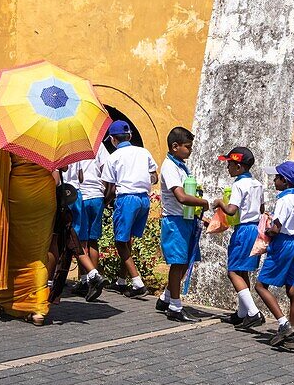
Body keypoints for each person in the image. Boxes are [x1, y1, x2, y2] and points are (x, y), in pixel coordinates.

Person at [0, 141, 56, 325]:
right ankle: (37, 308)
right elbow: (62, 166)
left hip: (18, 193)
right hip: (45, 194)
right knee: (37, 253)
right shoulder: (52, 131)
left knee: (11, 247)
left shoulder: (12, 131)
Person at [156, 126, 208, 322]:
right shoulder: (169, 167)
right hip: (175, 221)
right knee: (178, 263)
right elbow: (180, 196)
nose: (190, 150)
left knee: (185, 261)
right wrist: (203, 203)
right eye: (188, 147)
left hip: (185, 220)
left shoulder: (180, 166)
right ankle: (175, 307)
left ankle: (166, 298)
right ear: (175, 146)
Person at [211, 146, 266, 330]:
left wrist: (219, 203)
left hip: (243, 229)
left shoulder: (238, 185)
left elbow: (232, 210)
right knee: (243, 271)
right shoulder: (257, 184)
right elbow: (262, 209)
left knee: (233, 271)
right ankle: (242, 313)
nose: (228, 167)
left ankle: (253, 312)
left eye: (230, 164)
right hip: (255, 229)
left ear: (239, 167)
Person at [101, 120, 158, 298]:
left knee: (120, 241)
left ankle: (137, 282)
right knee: (128, 240)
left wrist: (105, 202)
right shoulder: (143, 152)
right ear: (130, 136)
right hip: (143, 199)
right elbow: (154, 176)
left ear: (112, 139)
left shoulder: (113, 157)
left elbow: (109, 187)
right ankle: (121, 280)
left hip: (126, 199)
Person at [255, 160, 294, 348]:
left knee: (260, 285)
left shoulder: (284, 201)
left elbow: (276, 229)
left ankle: (284, 324)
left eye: (277, 178)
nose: (274, 181)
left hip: (282, 244)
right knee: (292, 289)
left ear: (284, 181)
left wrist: (265, 230)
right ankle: (292, 332)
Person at [63, 143, 109, 292]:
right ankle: (88, 280)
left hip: (68, 195)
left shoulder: (58, 146)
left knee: (69, 239)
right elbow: (82, 176)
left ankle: (90, 276)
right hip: (85, 194)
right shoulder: (85, 143)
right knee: (87, 240)